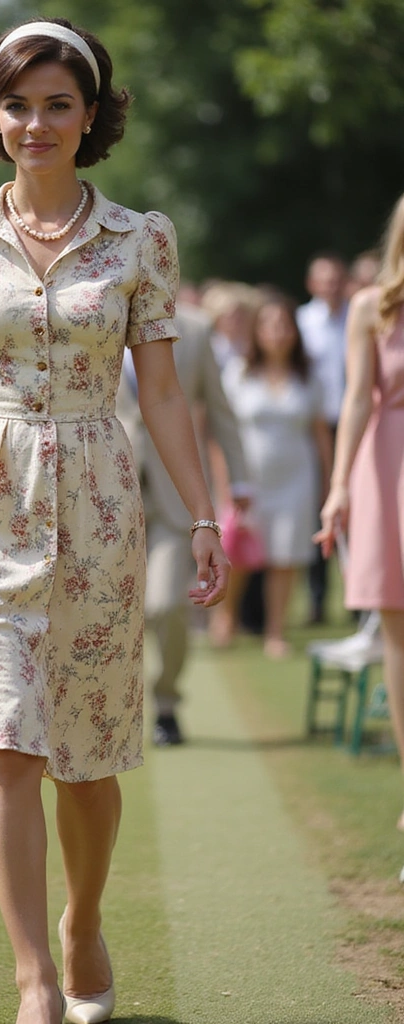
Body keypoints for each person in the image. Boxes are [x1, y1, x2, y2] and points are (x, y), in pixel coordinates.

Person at [0, 19, 229, 1024]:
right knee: (6, 744)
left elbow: (160, 392)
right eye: (16, 103)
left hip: (100, 506)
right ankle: (32, 976)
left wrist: (198, 514)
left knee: (84, 753)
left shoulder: (139, 240)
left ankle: (81, 923)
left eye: (55, 103)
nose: (34, 121)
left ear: (89, 117)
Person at [117, 301, 248, 745]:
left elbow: (219, 406)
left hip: (177, 495)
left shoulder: (195, 327)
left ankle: (167, 701)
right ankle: (112, 710)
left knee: (165, 605)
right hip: (106, 489)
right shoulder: (95, 311)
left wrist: (240, 478)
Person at [315, 193, 404, 832]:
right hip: (388, 468)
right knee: (396, 629)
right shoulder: (372, 309)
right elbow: (353, 401)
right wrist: (340, 486)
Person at [215, 293, 332, 657]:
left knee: (285, 556)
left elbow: (320, 436)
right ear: (257, 331)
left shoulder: (308, 376)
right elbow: (222, 433)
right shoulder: (238, 372)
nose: (278, 332)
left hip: (296, 480)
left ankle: (276, 631)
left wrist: (330, 484)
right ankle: (226, 618)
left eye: (284, 324)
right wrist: (224, 486)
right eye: (269, 324)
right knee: (238, 552)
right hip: (248, 482)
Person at [296, 252, 349, 624]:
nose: (330, 286)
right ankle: (317, 600)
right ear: (312, 284)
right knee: (318, 510)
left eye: (336, 278)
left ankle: (359, 601)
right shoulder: (302, 322)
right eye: (323, 279)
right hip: (314, 428)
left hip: (352, 425)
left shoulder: (356, 318)